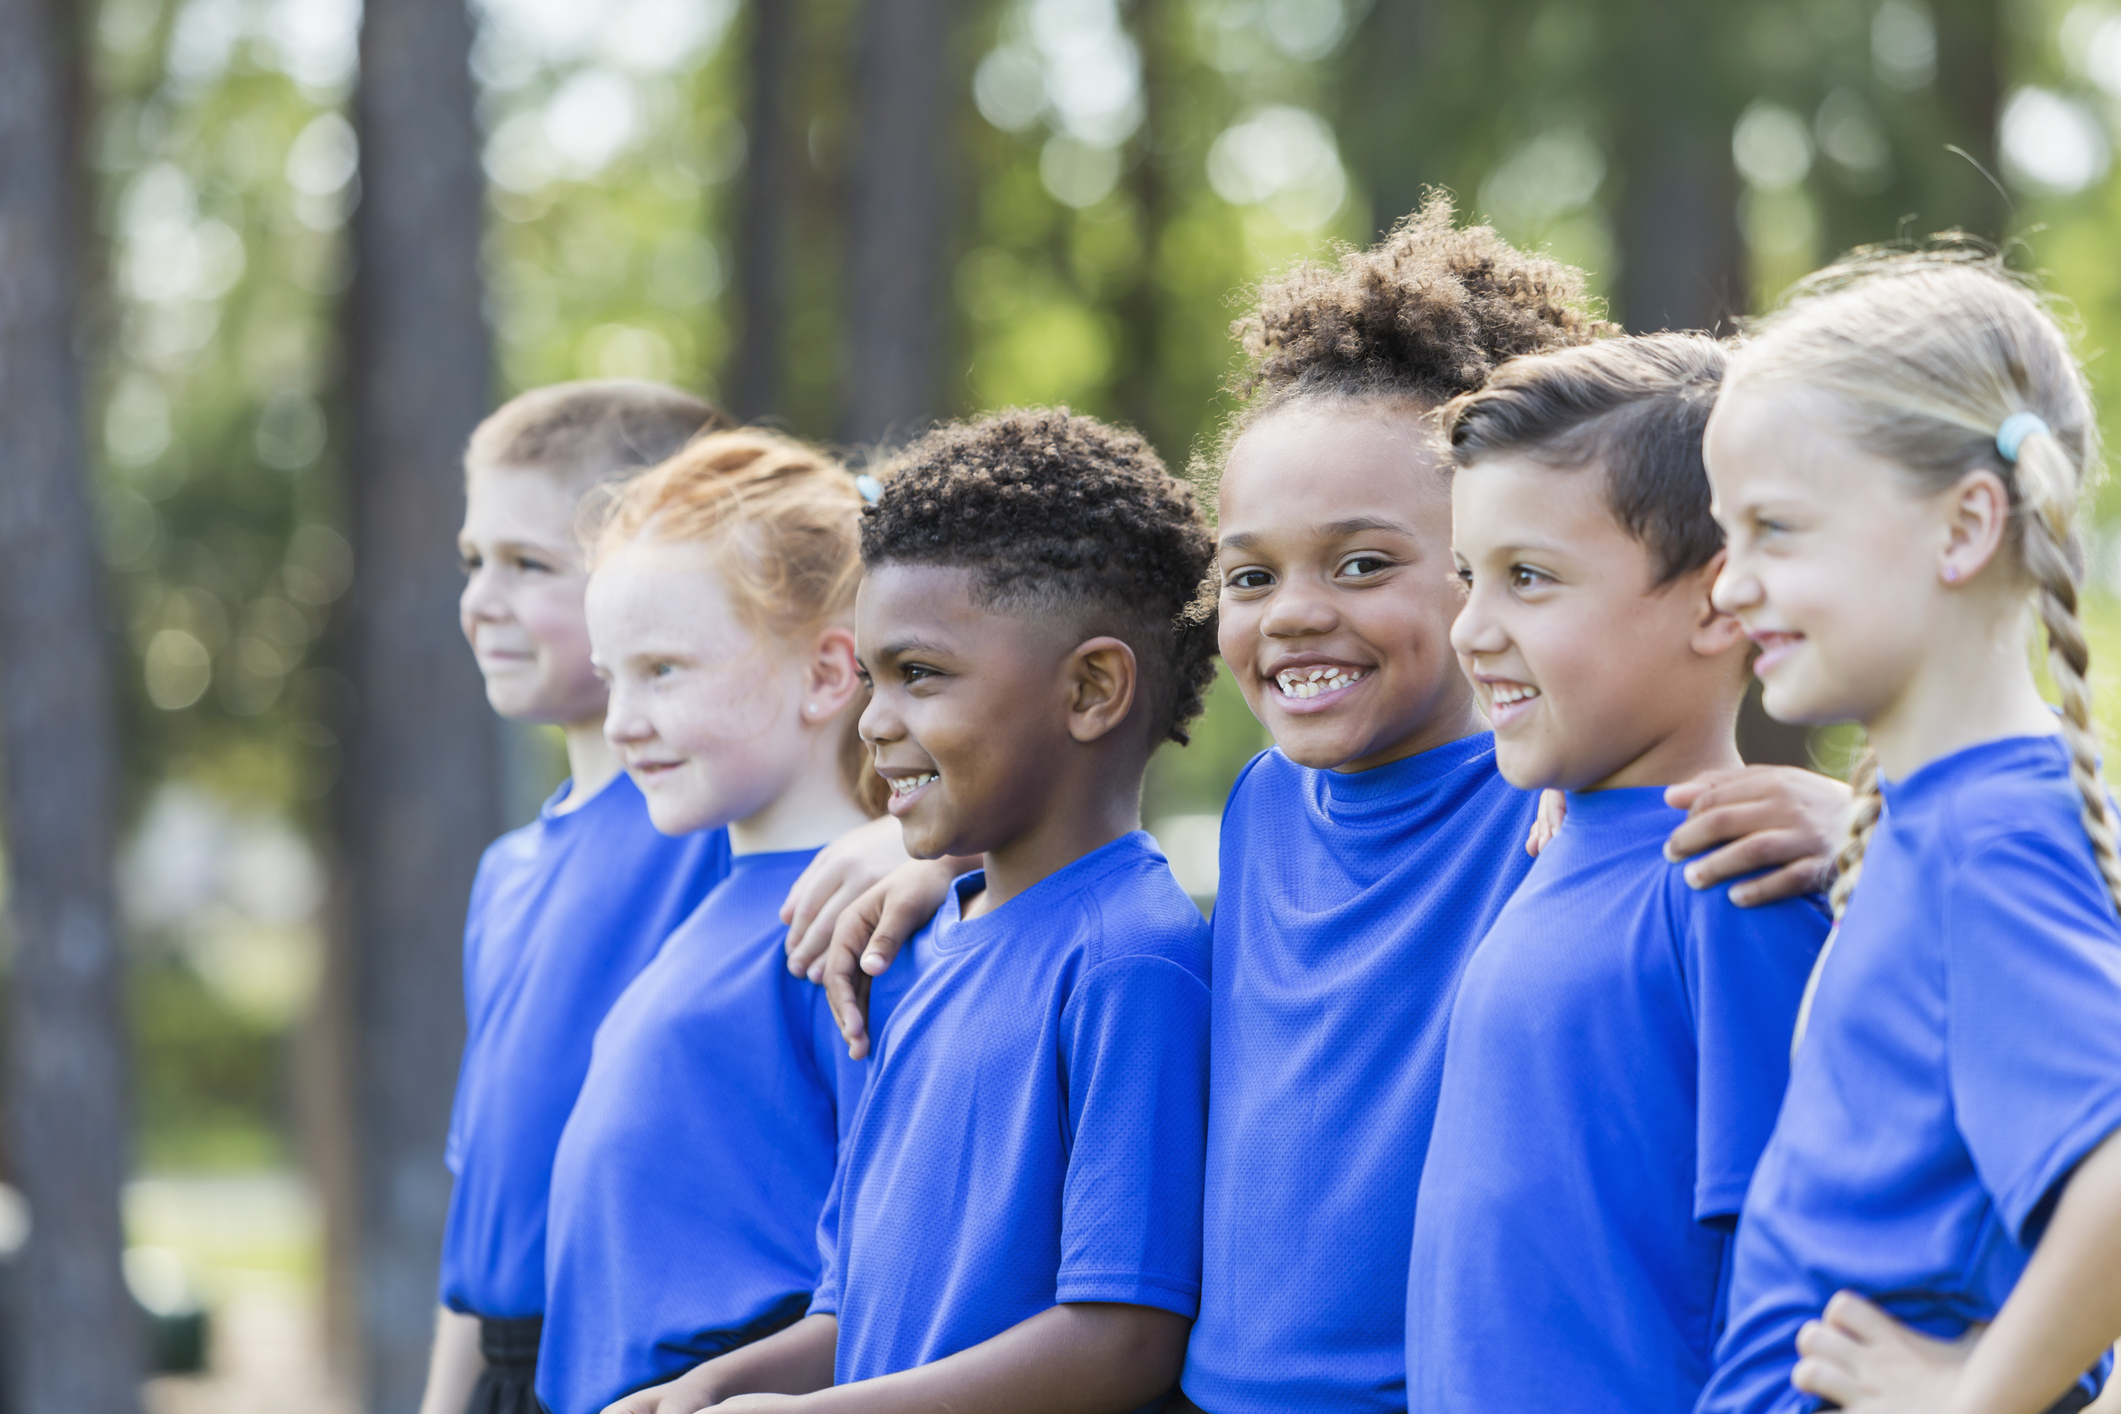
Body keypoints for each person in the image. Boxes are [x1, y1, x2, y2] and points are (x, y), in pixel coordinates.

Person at [817, 200, 1850, 1414]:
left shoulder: (1538, 805)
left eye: (1364, 563)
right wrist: (933, 849)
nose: (1296, 610)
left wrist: (1855, 818)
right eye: (1250, 575)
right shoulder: (1263, 808)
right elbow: (1095, 882)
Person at [612, 409, 1217, 1414]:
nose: (875, 720)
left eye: (921, 676)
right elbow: (849, 1315)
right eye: (869, 676)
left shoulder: (1133, 963)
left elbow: (1121, 1340)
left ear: (1093, 688)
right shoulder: (914, 950)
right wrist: (706, 1390)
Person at [423, 385, 904, 1414]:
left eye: (662, 671)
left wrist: (914, 843)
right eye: (614, 675)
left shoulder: (835, 906)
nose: (627, 717)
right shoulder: (674, 883)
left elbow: (883, 1259)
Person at [1695, 254, 2121, 1414]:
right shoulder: (1945, 825)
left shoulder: (1991, 841)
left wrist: (1968, 1394)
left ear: (1966, 526)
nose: (1729, 585)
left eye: (1775, 528)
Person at [1405, 333, 1829, 1413]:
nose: (1471, 629)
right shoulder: (1544, 836)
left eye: (1529, 579)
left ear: (1718, 602)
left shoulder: (1735, 882)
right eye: (1469, 577)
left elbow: (1787, 1298)